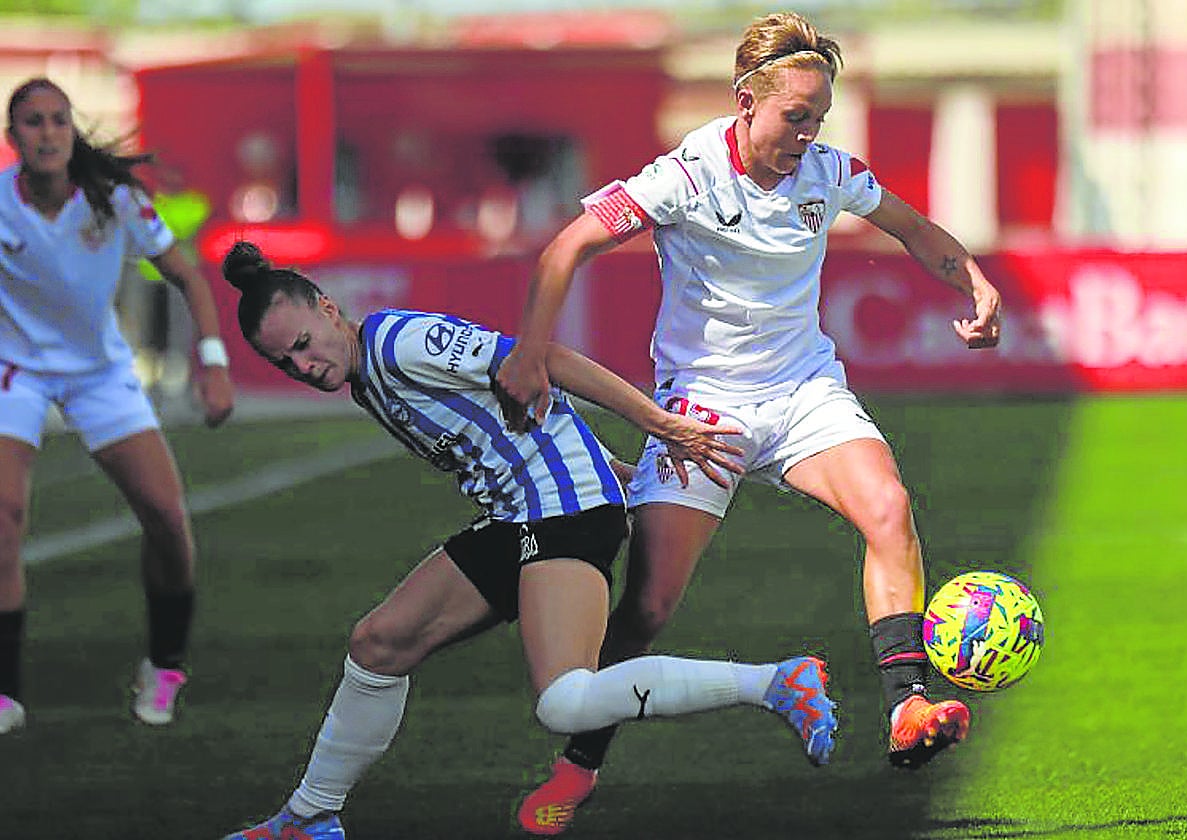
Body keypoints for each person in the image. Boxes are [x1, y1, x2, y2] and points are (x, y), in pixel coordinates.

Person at [496, 11, 1004, 835]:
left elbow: (912, 229)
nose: (808, 133)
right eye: (794, 116)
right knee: (651, 607)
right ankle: (577, 766)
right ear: (746, 103)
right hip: (702, 409)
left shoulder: (828, 171)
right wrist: (529, 353)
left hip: (805, 390)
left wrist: (973, 281)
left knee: (889, 509)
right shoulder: (686, 175)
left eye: (819, 117)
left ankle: (908, 706)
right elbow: (566, 250)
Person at [216, 240, 836, 840]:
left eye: (301, 345)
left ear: (327, 306)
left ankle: (777, 683)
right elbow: (522, 421)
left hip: (561, 513)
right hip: (521, 517)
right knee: (378, 644)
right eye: (283, 363)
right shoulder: (365, 376)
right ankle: (308, 818)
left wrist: (659, 424)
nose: (302, 366)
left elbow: (544, 363)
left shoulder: (398, 343)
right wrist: (616, 470)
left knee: (564, 703)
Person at [0, 77, 235, 734]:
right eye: (31, 122)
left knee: (165, 515)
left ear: (72, 132)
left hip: (100, 373)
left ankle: (163, 665)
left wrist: (212, 364)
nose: (46, 132)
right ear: (12, 137)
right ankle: (4, 692)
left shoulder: (117, 201)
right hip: (14, 373)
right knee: (4, 518)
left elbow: (186, 273)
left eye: (57, 121)